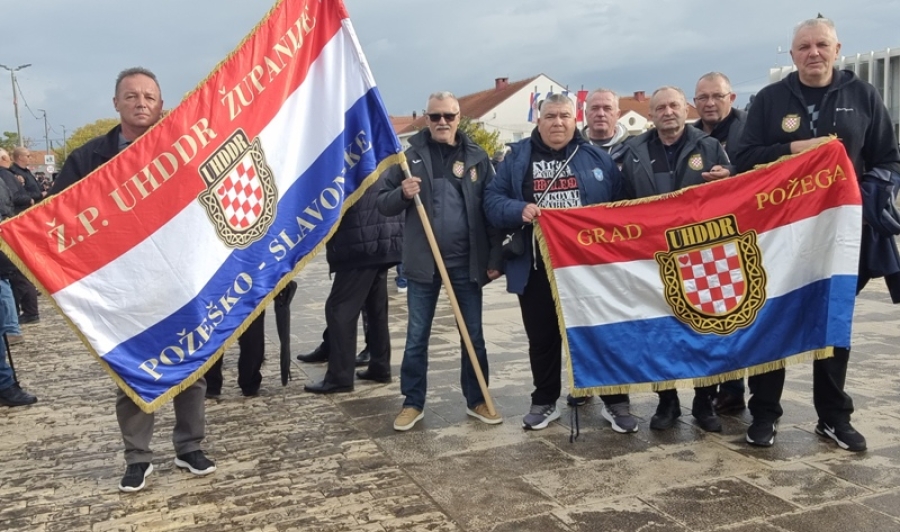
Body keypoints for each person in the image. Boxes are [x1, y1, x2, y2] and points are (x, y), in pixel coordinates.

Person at [734, 17, 900, 451]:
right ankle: (764, 414)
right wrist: (794, 149)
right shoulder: (770, 99)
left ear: (837, 49)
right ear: (792, 54)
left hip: (840, 237)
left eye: (821, 45)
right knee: (771, 321)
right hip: (779, 237)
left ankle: (833, 417)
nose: (813, 53)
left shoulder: (863, 95)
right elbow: (743, 158)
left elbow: (889, 160)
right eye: (804, 46)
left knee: (832, 322)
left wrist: (867, 193)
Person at [51, 67, 215, 492]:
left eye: (149, 96)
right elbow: (55, 218)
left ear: (161, 105)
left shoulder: (183, 149)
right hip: (123, 287)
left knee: (191, 366)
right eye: (131, 96)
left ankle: (189, 446)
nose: (141, 103)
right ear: (116, 103)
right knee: (132, 371)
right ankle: (138, 457)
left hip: (179, 280)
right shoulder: (88, 159)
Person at [484, 93, 632, 432]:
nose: (558, 123)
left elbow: (621, 205)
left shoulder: (595, 156)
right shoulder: (517, 158)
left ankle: (615, 401)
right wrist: (517, 210)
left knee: (601, 335)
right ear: (538, 120)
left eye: (564, 116)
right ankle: (544, 400)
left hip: (589, 269)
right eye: (550, 116)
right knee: (543, 338)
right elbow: (491, 201)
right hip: (537, 266)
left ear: (574, 119)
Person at [378, 91, 503, 431]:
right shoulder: (409, 158)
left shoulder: (477, 158)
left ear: (459, 118)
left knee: (473, 335)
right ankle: (412, 402)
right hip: (424, 266)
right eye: (435, 116)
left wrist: (495, 256)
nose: (442, 122)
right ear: (427, 119)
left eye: (448, 116)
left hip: (465, 265)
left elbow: (491, 209)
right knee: (417, 336)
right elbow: (382, 203)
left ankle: (478, 398)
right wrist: (402, 193)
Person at [616, 86, 731, 433]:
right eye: (661, 107)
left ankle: (704, 401)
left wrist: (728, 177)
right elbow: (620, 204)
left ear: (686, 109)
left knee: (705, 330)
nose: (668, 112)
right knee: (658, 333)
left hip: (701, 255)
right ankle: (666, 402)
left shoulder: (709, 146)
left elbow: (732, 194)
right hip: (651, 258)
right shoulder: (634, 152)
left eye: (674, 105)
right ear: (650, 114)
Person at [303, 172, 402, 395]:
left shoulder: (347, 157)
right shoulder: (375, 154)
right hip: (384, 236)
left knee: (339, 308)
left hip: (360, 240)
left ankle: (339, 377)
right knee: (376, 308)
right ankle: (379, 366)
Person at [691, 72, 749, 415]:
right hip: (702, 242)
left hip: (743, 235)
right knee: (708, 319)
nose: (710, 103)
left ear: (732, 97)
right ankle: (712, 389)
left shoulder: (749, 128)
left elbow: (767, 167)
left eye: (717, 96)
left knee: (738, 316)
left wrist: (734, 174)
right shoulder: (691, 135)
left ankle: (735, 390)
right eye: (703, 98)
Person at [0, 149, 40, 324]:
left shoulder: (5, 175)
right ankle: (19, 317)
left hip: (9, 226)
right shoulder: (10, 175)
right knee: (15, 273)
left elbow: (13, 199)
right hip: (12, 224)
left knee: (12, 275)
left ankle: (14, 320)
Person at [581, 88, 629, 155]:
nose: (601, 114)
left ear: (618, 114)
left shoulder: (632, 149)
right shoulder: (573, 148)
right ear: (586, 113)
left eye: (607, 108)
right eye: (594, 108)